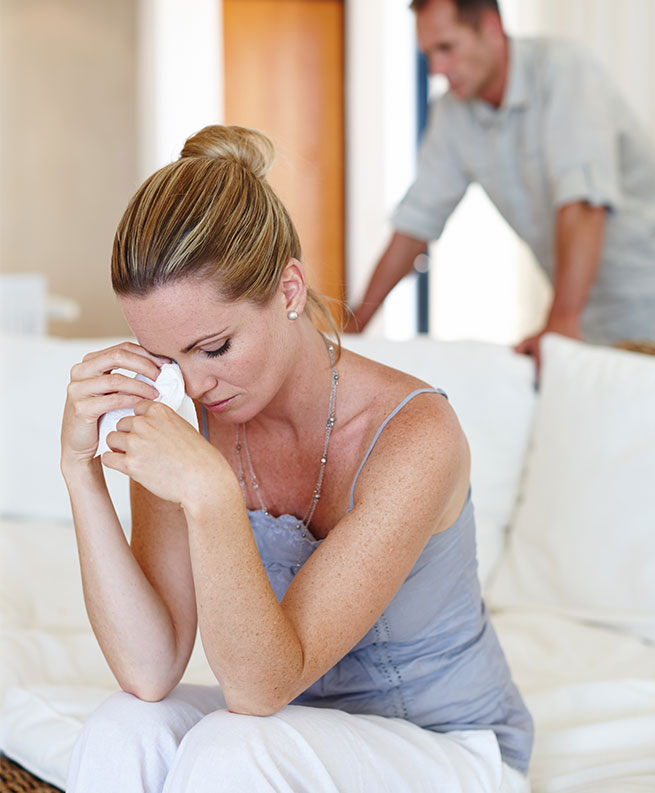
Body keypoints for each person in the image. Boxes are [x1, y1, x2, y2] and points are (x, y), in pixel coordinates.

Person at [60, 124, 533, 792]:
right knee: (121, 723)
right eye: (166, 357)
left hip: (449, 747)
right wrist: (79, 471)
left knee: (234, 747)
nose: (192, 386)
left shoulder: (415, 435)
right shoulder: (187, 416)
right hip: (288, 731)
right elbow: (149, 668)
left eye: (215, 347)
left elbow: (257, 689)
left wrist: (211, 494)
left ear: (287, 291)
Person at [347, 0, 655, 362]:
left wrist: (561, 320)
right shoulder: (452, 115)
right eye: (428, 54)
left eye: (446, 48)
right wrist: (349, 334)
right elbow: (411, 229)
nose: (437, 69)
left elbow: (584, 203)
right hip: (604, 325)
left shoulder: (563, 70)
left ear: (491, 28)